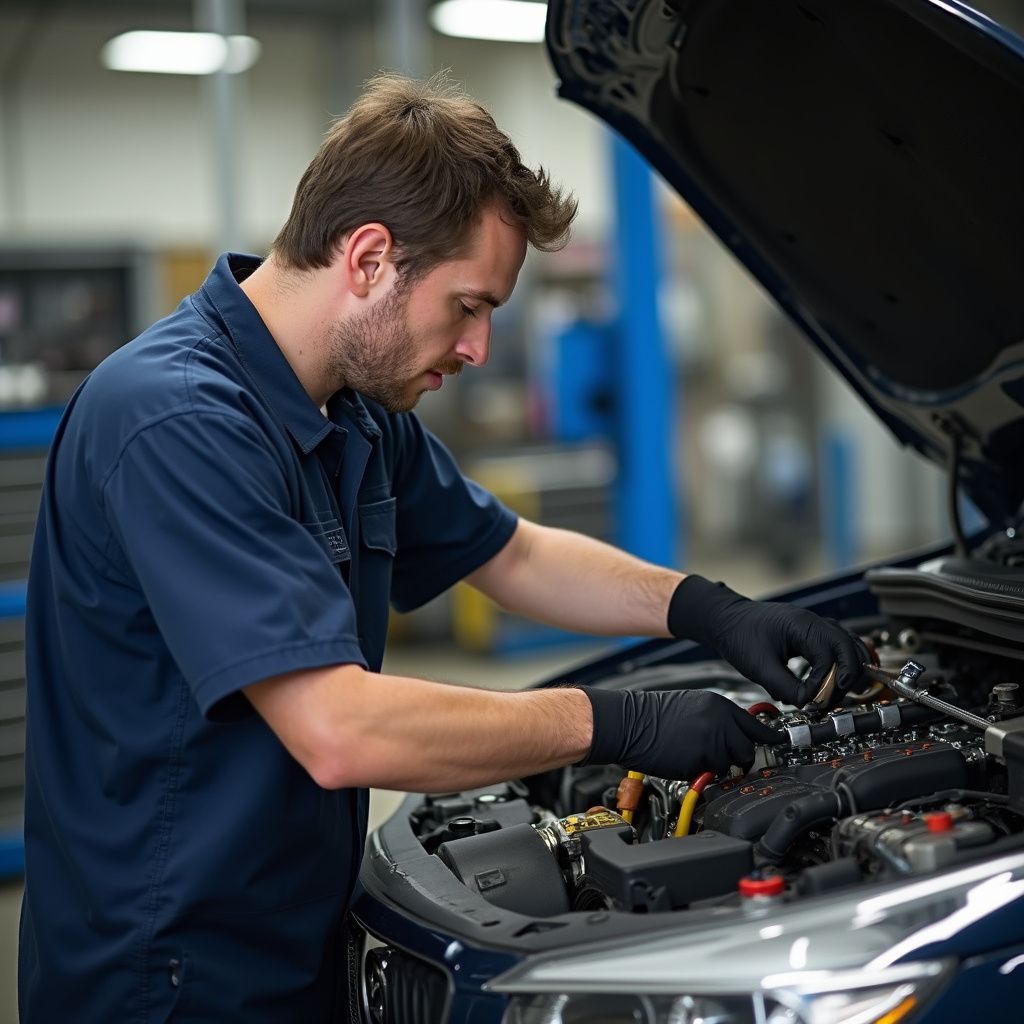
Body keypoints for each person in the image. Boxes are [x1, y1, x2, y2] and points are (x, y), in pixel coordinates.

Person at [19, 74, 865, 1022]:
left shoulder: (353, 415)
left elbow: (513, 556)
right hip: (170, 978)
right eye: (468, 305)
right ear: (370, 258)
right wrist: (616, 723)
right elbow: (341, 730)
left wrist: (710, 608)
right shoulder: (176, 418)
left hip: (295, 938)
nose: (477, 348)